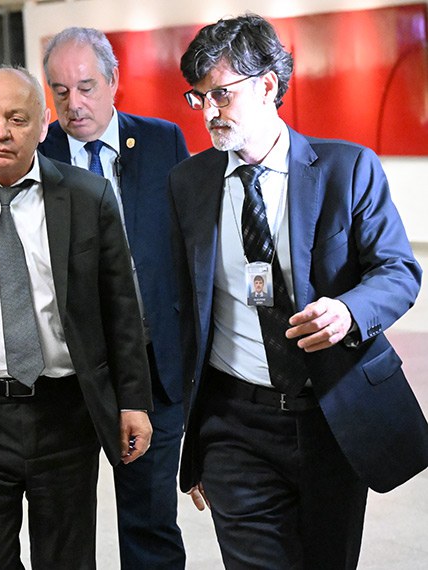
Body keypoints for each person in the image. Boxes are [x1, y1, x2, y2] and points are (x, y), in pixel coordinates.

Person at [170, 13, 428, 569]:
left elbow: (398, 270)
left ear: (267, 86)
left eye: (221, 94)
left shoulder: (346, 169)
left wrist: (348, 311)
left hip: (331, 416)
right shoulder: (188, 183)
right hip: (234, 423)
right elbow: (181, 307)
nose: (209, 112)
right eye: (198, 98)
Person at [0, 65, 153, 570]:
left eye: (17, 119)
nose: (1, 132)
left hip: (66, 412)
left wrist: (134, 401)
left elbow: (121, 307)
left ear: (43, 125)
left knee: (67, 559)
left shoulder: (87, 195)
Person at [39, 27, 190, 569]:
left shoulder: (162, 141)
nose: (74, 105)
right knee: (62, 525)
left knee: (150, 519)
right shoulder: (37, 153)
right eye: (60, 92)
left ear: (113, 81)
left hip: (150, 365)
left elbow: (190, 243)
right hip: (66, 371)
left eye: (86, 88)